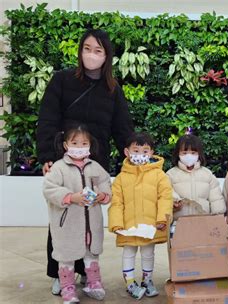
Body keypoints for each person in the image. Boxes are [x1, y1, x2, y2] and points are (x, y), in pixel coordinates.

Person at [36, 29, 134, 294]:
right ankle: (59, 271)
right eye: (87, 48)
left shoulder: (113, 89)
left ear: (107, 56)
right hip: (64, 160)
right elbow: (47, 118)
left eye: (98, 50)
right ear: (80, 51)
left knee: (89, 218)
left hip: (95, 163)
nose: (92, 55)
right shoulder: (62, 80)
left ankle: (84, 272)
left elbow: (122, 127)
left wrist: (133, 150)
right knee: (63, 217)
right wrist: (47, 154)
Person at [43, 124, 111, 303]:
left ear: (89, 145)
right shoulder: (58, 168)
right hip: (68, 223)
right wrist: (70, 197)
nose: (79, 148)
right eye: (75, 143)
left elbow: (105, 183)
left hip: (92, 223)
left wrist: (102, 195)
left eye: (84, 143)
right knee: (67, 255)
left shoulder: (95, 166)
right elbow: (49, 189)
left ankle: (93, 283)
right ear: (66, 145)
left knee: (91, 253)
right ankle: (68, 288)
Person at [108, 132, 173, 300]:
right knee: (128, 253)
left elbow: (165, 197)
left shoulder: (159, 175)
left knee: (148, 253)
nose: (140, 155)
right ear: (127, 152)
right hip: (128, 226)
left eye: (145, 151)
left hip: (150, 226)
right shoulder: (121, 178)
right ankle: (130, 283)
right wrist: (116, 223)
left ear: (151, 153)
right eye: (136, 150)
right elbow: (117, 202)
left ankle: (147, 280)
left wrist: (161, 219)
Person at [166, 134, 226, 219]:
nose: (189, 156)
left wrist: (218, 216)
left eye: (193, 153)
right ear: (178, 154)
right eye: (184, 153)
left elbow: (215, 198)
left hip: (204, 221)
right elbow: (167, 193)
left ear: (199, 154)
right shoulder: (171, 174)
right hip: (179, 223)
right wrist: (175, 200)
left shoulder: (207, 174)